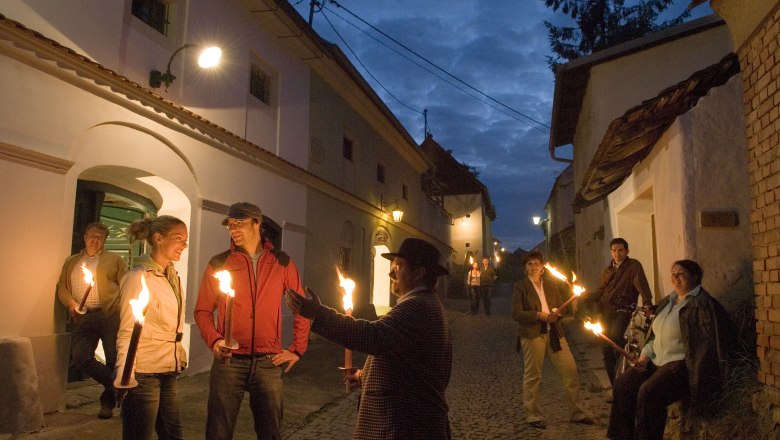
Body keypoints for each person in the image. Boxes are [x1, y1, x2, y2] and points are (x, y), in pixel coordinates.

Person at [285, 238, 453, 439]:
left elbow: (373, 336)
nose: (391, 273)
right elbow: (409, 368)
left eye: (398, 267)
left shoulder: (418, 306)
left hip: (406, 426)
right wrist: (365, 376)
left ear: (419, 273)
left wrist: (318, 314)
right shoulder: (424, 304)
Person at [194, 202, 311, 440]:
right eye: (229, 225)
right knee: (218, 432)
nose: (233, 229)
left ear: (257, 223)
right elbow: (202, 311)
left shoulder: (281, 261)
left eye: (239, 223)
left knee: (270, 433)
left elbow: (302, 307)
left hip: (268, 363)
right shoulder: (219, 263)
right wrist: (215, 341)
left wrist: (297, 349)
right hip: (229, 362)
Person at [607, 260, 733, 440]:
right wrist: (644, 357)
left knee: (648, 392)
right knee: (623, 385)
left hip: (680, 366)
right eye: (673, 274)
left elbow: (706, 346)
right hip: (655, 361)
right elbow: (653, 336)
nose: (675, 278)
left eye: (681, 274)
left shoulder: (702, 305)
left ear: (695, 277)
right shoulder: (668, 301)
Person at [114, 215, 189, 440]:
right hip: (144, 371)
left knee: (173, 434)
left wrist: (178, 354)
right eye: (179, 238)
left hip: (168, 368)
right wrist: (124, 374)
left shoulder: (172, 276)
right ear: (158, 238)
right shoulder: (138, 278)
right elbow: (127, 330)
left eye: (185, 239)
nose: (184, 244)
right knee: (139, 435)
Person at [511, 251, 593, 429]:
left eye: (536, 263)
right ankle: (533, 415)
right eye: (530, 264)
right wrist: (538, 315)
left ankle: (577, 412)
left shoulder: (550, 284)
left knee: (570, 370)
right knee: (533, 376)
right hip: (533, 335)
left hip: (554, 333)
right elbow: (516, 313)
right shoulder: (521, 286)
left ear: (542, 267)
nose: (533, 267)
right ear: (525, 268)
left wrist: (556, 312)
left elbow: (560, 307)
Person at [56, 222, 128, 419]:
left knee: (113, 357)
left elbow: (126, 285)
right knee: (80, 357)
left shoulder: (114, 259)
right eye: (92, 236)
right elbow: (62, 287)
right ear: (85, 237)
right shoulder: (72, 261)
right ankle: (118, 385)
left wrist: (122, 308)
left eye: (100, 237)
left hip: (109, 314)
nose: (95, 240)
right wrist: (71, 303)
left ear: (104, 240)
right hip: (83, 316)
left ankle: (107, 404)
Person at [592, 238, 653, 385]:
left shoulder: (633, 266)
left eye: (620, 250)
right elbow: (601, 290)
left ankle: (627, 367)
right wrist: (586, 297)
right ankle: (615, 385)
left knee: (615, 336)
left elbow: (642, 285)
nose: (617, 254)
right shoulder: (608, 270)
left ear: (627, 251)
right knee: (606, 347)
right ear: (610, 252)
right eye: (614, 251)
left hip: (624, 308)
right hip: (606, 310)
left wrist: (647, 303)